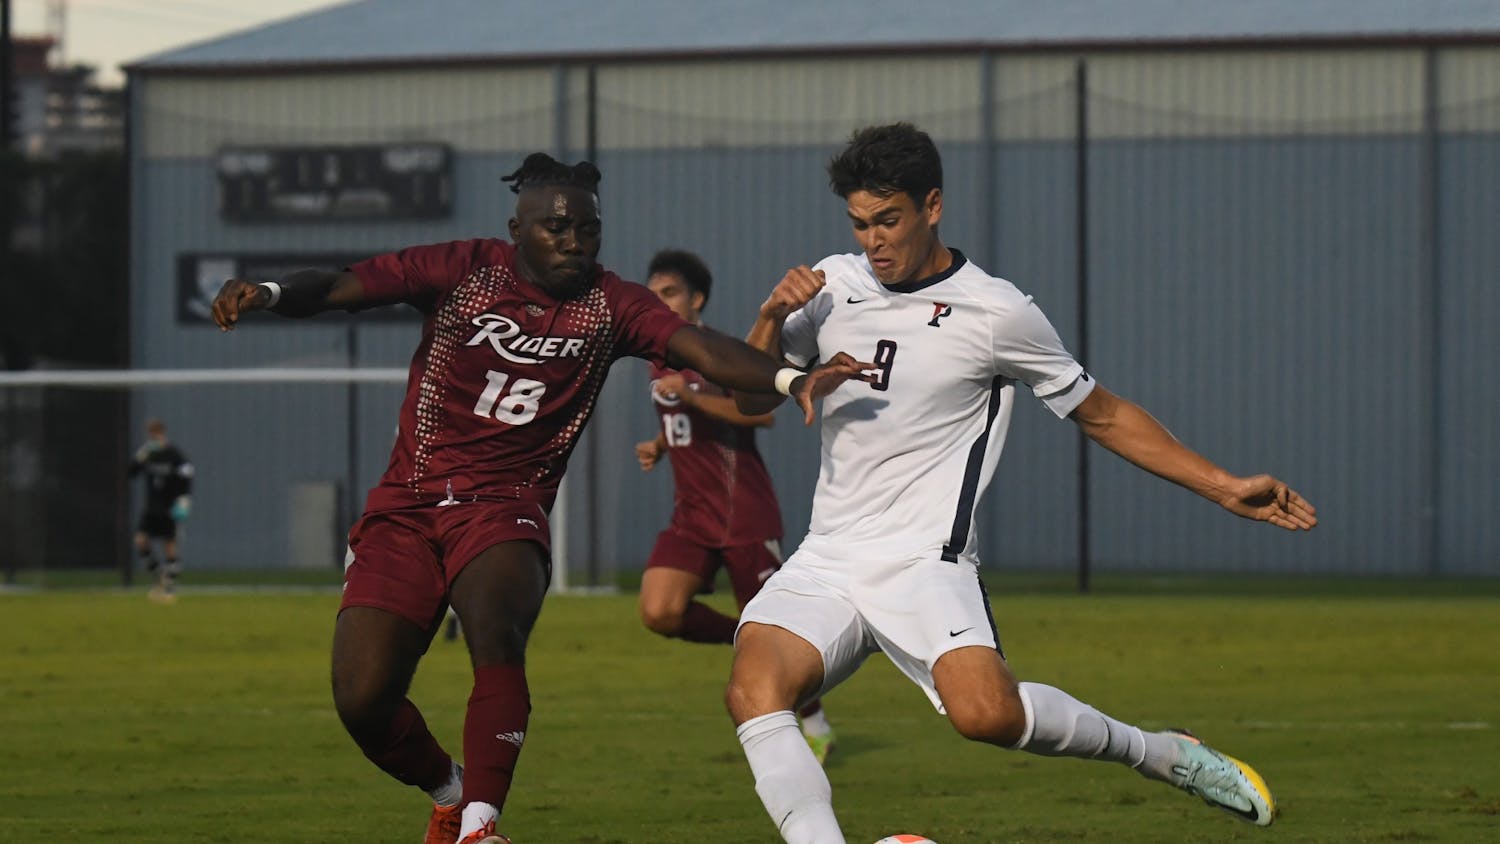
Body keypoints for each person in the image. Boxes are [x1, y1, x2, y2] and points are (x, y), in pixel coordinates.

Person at [209, 153, 868, 844]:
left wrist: (796, 380)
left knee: (496, 631)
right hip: (406, 504)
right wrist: (271, 292)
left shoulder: (612, 304)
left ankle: (481, 826)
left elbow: (699, 347)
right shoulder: (464, 268)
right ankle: (451, 791)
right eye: (556, 228)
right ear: (516, 228)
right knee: (363, 700)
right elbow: (346, 286)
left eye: (588, 229)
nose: (574, 240)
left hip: (506, 506)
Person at [726, 123, 1319, 843]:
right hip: (831, 555)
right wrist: (768, 319)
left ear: (932, 205)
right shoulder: (831, 285)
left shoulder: (996, 311)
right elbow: (751, 400)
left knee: (988, 717)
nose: (873, 241)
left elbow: (1101, 414)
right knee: (755, 690)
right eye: (859, 224)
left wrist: (1222, 485)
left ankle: (1163, 752)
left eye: (889, 220)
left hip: (924, 560)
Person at [633, 249, 835, 763]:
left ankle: (813, 722)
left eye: (669, 293)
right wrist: (659, 444)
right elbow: (680, 420)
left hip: (742, 514)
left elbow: (760, 418)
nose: (658, 303)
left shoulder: (719, 353)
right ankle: (738, 636)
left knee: (773, 635)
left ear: (696, 299)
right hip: (692, 517)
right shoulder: (659, 359)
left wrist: (695, 396)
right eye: (652, 294)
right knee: (659, 610)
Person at [127, 418, 193, 602]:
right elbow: (131, 472)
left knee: (170, 546)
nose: (153, 437)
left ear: (162, 433)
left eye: (156, 433)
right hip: (151, 507)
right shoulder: (148, 453)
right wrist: (140, 456)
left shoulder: (174, 454)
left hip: (169, 507)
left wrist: (184, 500)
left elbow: (187, 474)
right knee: (141, 540)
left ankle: (170, 588)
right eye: (151, 434)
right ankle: (158, 576)